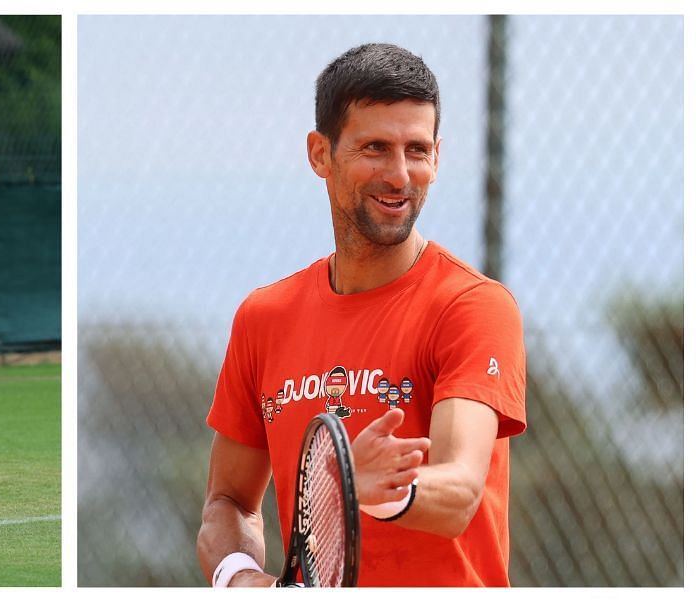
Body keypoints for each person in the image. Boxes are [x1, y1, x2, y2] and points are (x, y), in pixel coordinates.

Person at [197, 43, 527, 586]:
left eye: (417, 150)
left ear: (437, 158)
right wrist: (240, 579)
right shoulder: (263, 317)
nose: (400, 175)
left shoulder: (473, 306)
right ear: (320, 154)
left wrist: (356, 490)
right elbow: (227, 502)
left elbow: (460, 491)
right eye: (376, 147)